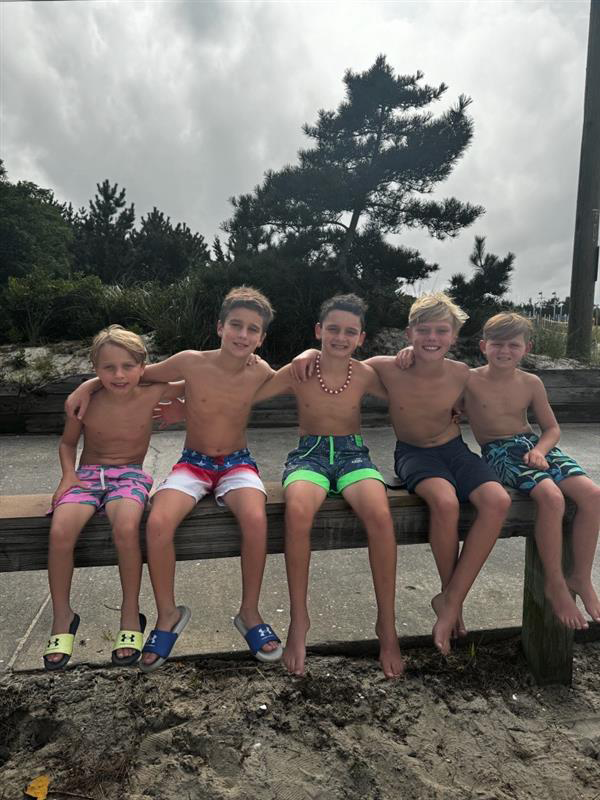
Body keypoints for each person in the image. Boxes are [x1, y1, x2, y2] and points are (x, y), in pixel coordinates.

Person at [65, 287, 282, 671]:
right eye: (236, 325)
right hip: (193, 463)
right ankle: (167, 614)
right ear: (220, 327)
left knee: (255, 517)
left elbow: (287, 380)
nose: (242, 335)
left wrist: (309, 356)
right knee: (159, 521)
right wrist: (88, 384)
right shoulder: (190, 361)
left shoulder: (260, 371)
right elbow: (131, 372)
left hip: (237, 463)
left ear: (261, 338)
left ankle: (249, 612)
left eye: (252, 329)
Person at [293, 293, 511, 656]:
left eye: (441, 331)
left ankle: (451, 598)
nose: (432, 338)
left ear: (454, 336)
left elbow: (491, 392)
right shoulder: (388, 366)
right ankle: (449, 597)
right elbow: (339, 359)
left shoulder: (461, 372)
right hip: (414, 454)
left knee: (498, 501)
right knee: (445, 502)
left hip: (456, 451)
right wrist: (307, 354)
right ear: (409, 333)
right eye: (423, 330)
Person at [251, 293, 405, 679]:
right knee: (298, 510)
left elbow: (409, 394)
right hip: (310, 455)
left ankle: (387, 625)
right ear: (319, 330)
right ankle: (299, 620)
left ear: (361, 338)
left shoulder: (364, 373)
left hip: (354, 455)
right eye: (333, 329)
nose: (341, 337)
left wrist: (454, 406)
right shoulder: (299, 370)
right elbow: (250, 392)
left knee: (380, 515)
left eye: (350, 332)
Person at [44, 325, 183, 670]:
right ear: (96, 368)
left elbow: (198, 379)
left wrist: (181, 407)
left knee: (126, 527)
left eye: (127, 366)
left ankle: (130, 614)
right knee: (60, 531)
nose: (119, 375)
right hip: (87, 476)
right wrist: (68, 475)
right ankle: (62, 617)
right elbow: (67, 444)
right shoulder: (85, 402)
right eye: (108, 368)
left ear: (142, 367)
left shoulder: (153, 392)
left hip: (129, 475)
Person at [465, 312, 600, 628]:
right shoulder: (468, 380)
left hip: (534, 446)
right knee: (551, 497)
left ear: (527, 348)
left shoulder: (531, 382)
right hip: (498, 451)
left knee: (594, 495)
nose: (505, 351)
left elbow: (552, 429)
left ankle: (581, 576)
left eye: (513, 345)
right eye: (497, 344)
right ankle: (555, 582)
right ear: (484, 346)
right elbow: (434, 381)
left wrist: (540, 450)